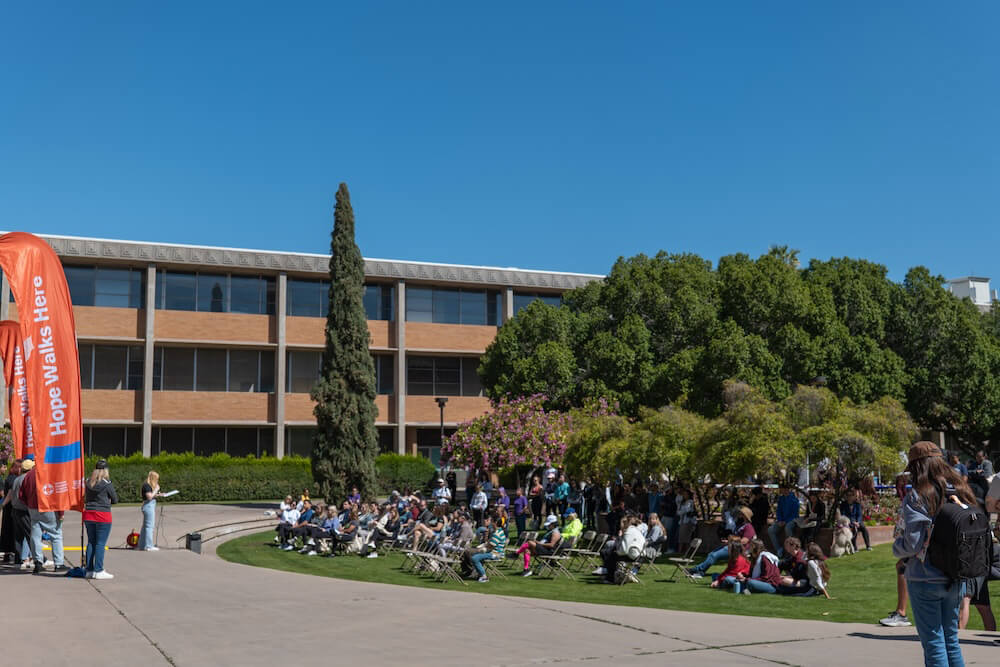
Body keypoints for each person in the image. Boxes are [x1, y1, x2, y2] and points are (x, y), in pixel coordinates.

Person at [893, 441, 975, 667]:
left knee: (934, 643)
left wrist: (896, 547)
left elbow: (912, 543)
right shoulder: (960, 491)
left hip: (925, 577)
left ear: (916, 467)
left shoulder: (918, 495)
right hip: (956, 576)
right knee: (951, 641)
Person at [686, 506, 755, 578]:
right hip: (731, 546)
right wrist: (728, 541)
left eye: (741, 513)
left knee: (714, 555)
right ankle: (698, 570)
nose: (739, 515)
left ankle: (697, 570)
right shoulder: (741, 525)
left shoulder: (748, 527)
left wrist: (730, 541)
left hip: (738, 549)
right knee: (711, 554)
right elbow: (736, 538)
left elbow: (744, 541)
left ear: (745, 515)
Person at [83, 459, 118, 580]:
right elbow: (114, 499)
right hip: (102, 514)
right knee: (100, 543)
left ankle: (89, 569)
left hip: (88, 514)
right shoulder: (106, 483)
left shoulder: (88, 481)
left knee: (91, 542)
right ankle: (99, 569)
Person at [470, 513, 507, 583]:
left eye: (492, 521)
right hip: (492, 552)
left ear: (495, 523)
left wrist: (481, 548)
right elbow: (489, 544)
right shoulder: (497, 531)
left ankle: (484, 577)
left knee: (475, 558)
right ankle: (478, 574)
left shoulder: (497, 533)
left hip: (496, 554)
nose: (491, 523)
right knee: (475, 555)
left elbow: (490, 545)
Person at [768, 484, 800, 556]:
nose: (781, 491)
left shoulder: (794, 499)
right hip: (782, 521)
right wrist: (780, 520)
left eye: (782, 489)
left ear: (787, 489)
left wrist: (785, 521)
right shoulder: (781, 499)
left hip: (792, 520)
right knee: (770, 530)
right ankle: (779, 550)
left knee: (788, 528)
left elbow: (795, 513)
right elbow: (779, 511)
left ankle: (792, 550)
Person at [139, 471, 162, 551]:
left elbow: (151, 495)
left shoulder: (147, 485)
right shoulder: (147, 485)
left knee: (145, 526)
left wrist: (159, 494)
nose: (157, 481)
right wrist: (156, 489)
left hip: (148, 506)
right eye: (157, 479)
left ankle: (141, 545)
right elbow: (149, 497)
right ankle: (149, 546)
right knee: (149, 527)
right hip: (148, 506)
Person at [676, 488, 697, 554]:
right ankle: (680, 551)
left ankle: (686, 552)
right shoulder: (682, 502)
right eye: (683, 494)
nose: (684, 495)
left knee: (686, 538)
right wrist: (680, 512)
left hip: (687, 522)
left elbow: (686, 510)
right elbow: (678, 511)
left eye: (685, 494)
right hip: (682, 521)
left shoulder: (690, 501)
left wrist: (680, 512)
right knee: (681, 537)